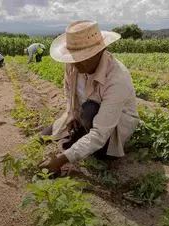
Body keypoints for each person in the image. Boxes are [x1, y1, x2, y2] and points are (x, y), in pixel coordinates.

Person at [40, 20, 139, 173]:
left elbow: (100, 133)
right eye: (74, 57)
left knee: (90, 111)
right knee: (44, 135)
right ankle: (80, 133)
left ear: (101, 50)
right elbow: (68, 90)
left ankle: (88, 145)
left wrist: (61, 160)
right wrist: (72, 113)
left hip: (112, 125)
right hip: (83, 115)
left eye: (84, 57)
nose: (77, 63)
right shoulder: (73, 65)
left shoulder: (117, 79)